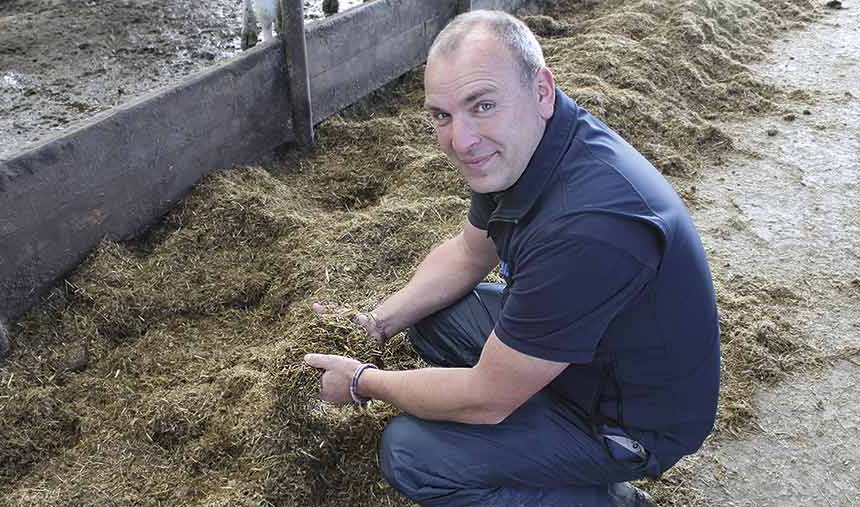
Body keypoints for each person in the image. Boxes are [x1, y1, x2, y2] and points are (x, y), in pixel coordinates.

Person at [304, 10, 720, 507]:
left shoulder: (587, 226)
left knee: (413, 454)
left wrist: (360, 381)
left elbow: (486, 399)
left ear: (541, 90)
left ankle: (608, 497)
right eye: (442, 115)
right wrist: (375, 322)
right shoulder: (524, 150)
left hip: (631, 419)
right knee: (434, 316)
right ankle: (539, 425)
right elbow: (467, 253)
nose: (460, 141)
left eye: (482, 105)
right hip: (586, 355)